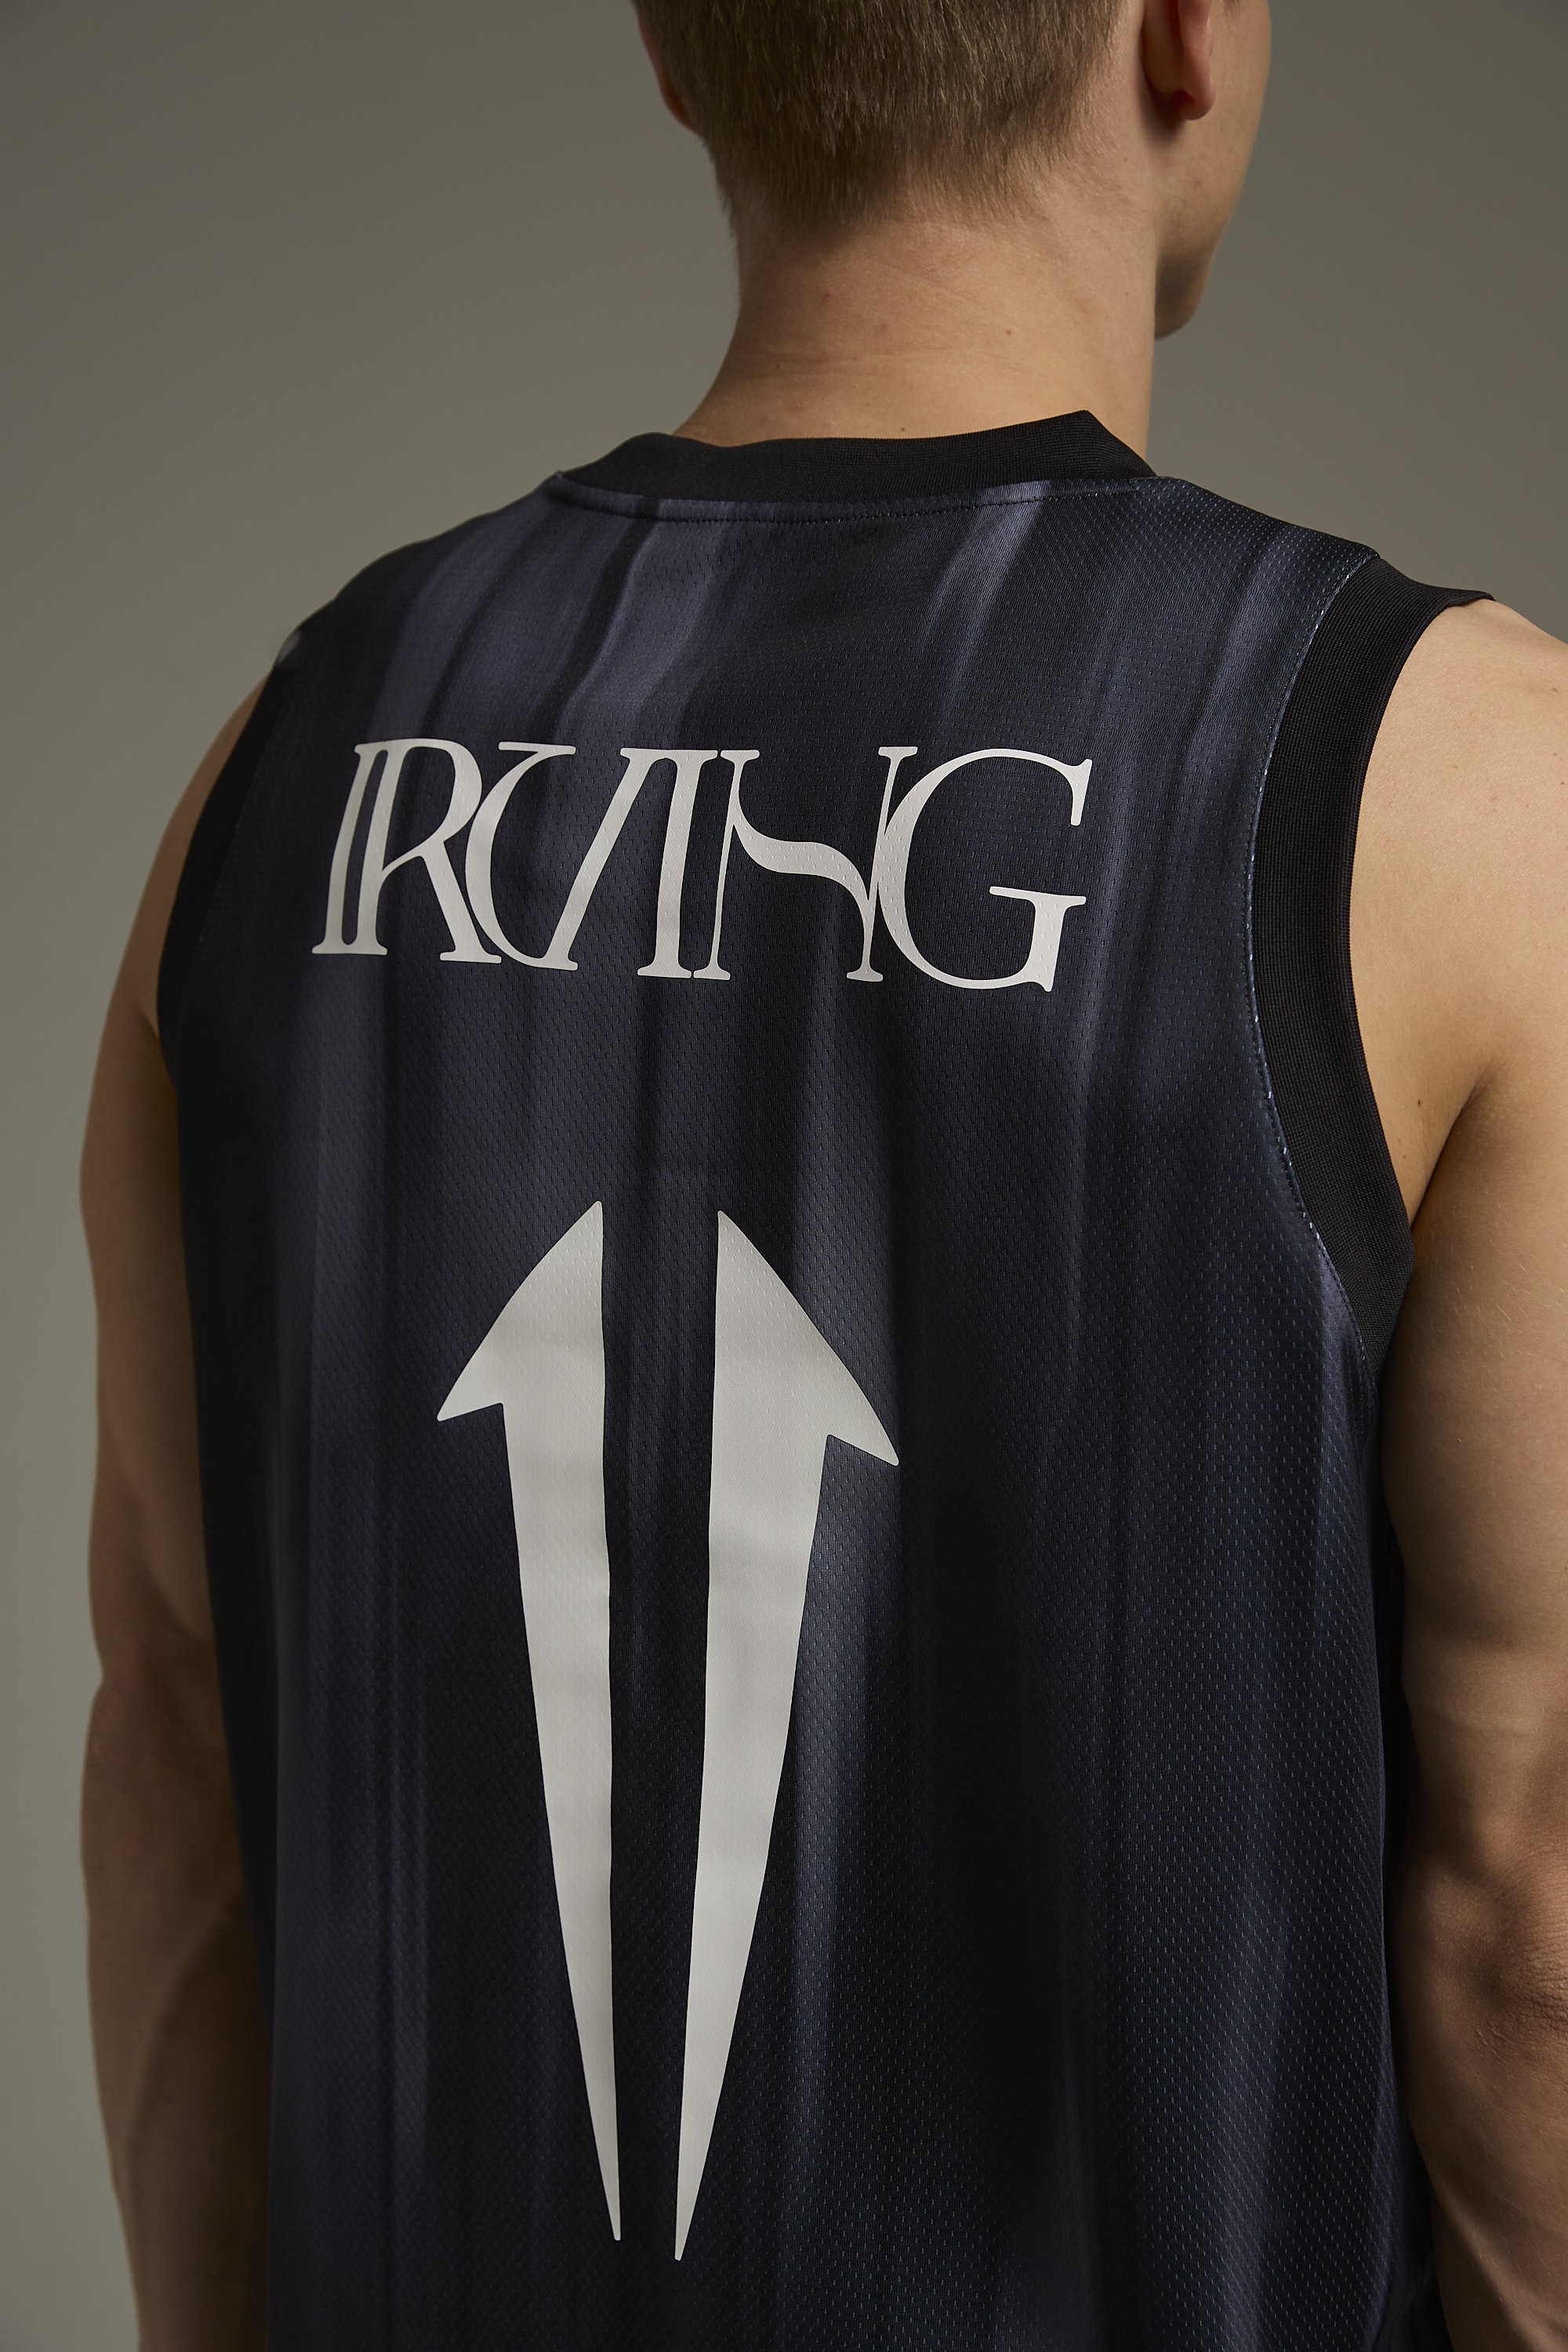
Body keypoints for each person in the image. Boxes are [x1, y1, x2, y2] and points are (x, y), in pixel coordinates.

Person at [80, 0, 1568, 2343]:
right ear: (1188, 32)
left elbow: (184, 1742)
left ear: (679, 50)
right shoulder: (1454, 794)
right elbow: (1530, 1918)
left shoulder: (285, 767)